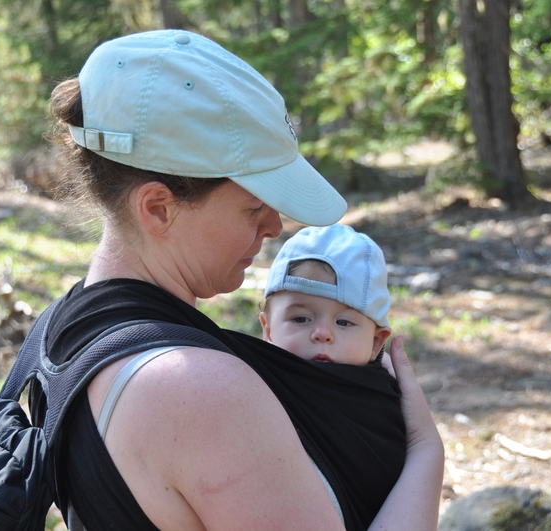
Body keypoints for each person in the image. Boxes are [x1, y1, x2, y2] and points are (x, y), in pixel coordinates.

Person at [42, 29, 444, 530]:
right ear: (159, 208)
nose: (274, 226)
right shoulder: (199, 390)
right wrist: (425, 453)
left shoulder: (64, 327)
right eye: (253, 207)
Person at [260, 224, 392, 367]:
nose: (322, 334)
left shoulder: (384, 382)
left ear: (376, 341)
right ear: (268, 329)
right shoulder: (252, 375)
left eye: (343, 322)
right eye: (301, 319)